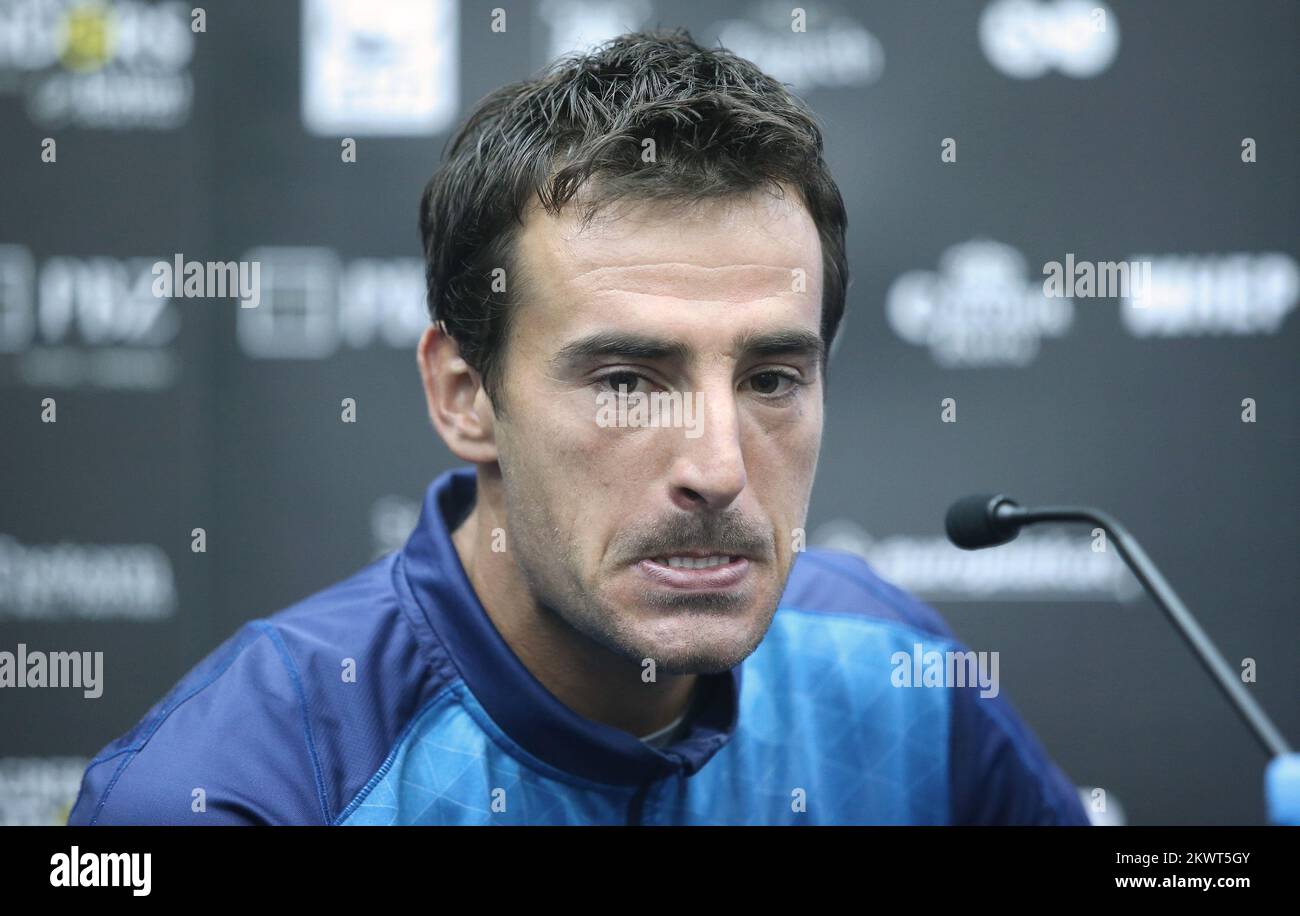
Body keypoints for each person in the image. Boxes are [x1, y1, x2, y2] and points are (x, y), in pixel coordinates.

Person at [69, 29, 1090, 825]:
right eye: (625, 381)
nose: (717, 469)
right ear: (465, 395)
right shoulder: (237, 788)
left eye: (771, 377)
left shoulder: (891, 673)